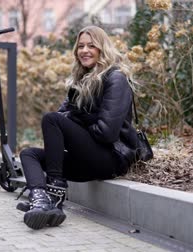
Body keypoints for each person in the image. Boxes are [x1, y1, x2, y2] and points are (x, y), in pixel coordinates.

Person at [18, 25, 139, 230]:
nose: (84, 50)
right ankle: (40, 199)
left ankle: (55, 194)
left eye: (91, 45)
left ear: (103, 49)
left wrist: (77, 117)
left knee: (51, 119)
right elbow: (62, 118)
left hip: (110, 159)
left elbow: (107, 133)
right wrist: (75, 119)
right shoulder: (80, 81)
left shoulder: (116, 78)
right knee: (29, 154)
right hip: (86, 158)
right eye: (80, 46)